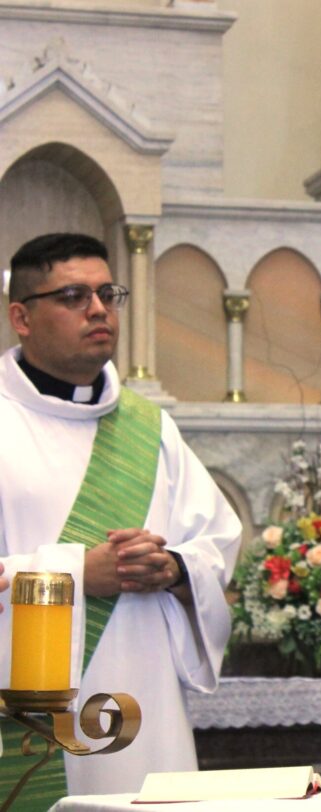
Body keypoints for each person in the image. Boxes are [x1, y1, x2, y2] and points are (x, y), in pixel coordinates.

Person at [0, 234, 242, 804]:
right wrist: (78, 573)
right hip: (22, 714)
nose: (99, 309)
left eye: (108, 293)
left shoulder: (150, 428)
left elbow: (215, 543)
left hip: (142, 701)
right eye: (73, 295)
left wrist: (173, 568)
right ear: (21, 317)